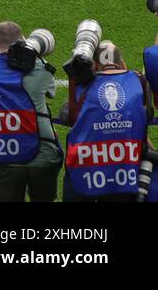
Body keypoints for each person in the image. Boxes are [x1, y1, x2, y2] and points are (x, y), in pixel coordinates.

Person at [0, 21, 61, 202]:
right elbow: (51, 91)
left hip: (6, 158)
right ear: (22, 40)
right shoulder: (39, 67)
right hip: (43, 153)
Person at [63, 42, 149, 202]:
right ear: (122, 62)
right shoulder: (138, 81)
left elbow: (70, 118)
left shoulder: (83, 85)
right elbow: (145, 119)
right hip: (126, 174)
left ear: (94, 64)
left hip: (84, 173)